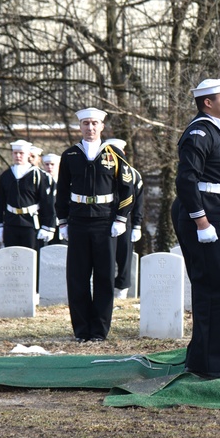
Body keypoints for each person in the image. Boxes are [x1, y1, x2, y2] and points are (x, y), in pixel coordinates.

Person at [172, 78, 220, 378]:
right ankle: (208, 363)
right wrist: (201, 221)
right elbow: (186, 180)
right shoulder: (200, 132)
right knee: (212, 291)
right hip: (206, 220)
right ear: (207, 103)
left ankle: (219, 354)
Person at [55, 109, 135, 343]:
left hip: (105, 221)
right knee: (77, 277)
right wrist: (62, 221)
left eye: (94, 123)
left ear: (102, 126)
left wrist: (121, 218)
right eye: (85, 123)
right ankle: (81, 330)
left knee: (104, 277)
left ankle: (99, 331)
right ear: (79, 126)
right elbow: (61, 191)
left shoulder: (114, 154)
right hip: (78, 220)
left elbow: (127, 189)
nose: (90, 128)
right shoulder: (70, 155)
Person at [0, 140, 55, 250]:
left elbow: (47, 203)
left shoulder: (38, 176)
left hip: (31, 223)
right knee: (12, 258)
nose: (18, 156)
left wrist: (48, 226)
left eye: (21, 153)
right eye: (15, 153)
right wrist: (0, 225)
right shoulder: (6, 175)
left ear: (28, 154)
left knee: (31, 258)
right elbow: (0, 202)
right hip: (11, 222)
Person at [106, 138, 144, 298]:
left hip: (125, 220)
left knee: (124, 256)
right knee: (106, 255)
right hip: (104, 219)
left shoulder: (133, 174)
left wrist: (137, 225)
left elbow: (139, 202)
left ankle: (122, 288)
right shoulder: (103, 172)